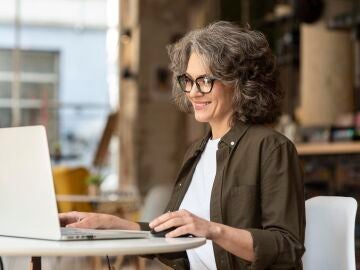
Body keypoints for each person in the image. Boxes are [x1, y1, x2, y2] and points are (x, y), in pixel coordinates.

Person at [60, 21, 305, 270]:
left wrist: (211, 229)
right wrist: (110, 223)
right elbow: (175, 237)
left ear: (239, 82)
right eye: (188, 80)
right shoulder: (196, 151)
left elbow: (286, 247)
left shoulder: (271, 147)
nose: (194, 92)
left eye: (205, 80)